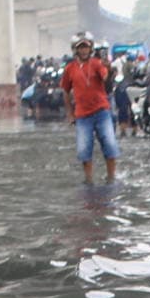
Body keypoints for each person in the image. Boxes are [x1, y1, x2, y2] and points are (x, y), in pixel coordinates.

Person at [62, 33, 118, 185]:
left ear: (91, 48)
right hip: (82, 115)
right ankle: (88, 179)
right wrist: (70, 114)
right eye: (81, 47)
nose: (84, 50)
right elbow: (66, 91)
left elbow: (106, 78)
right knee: (84, 150)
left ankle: (111, 177)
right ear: (75, 49)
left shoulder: (97, 64)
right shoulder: (69, 69)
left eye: (86, 46)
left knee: (110, 144)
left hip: (101, 111)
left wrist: (108, 69)